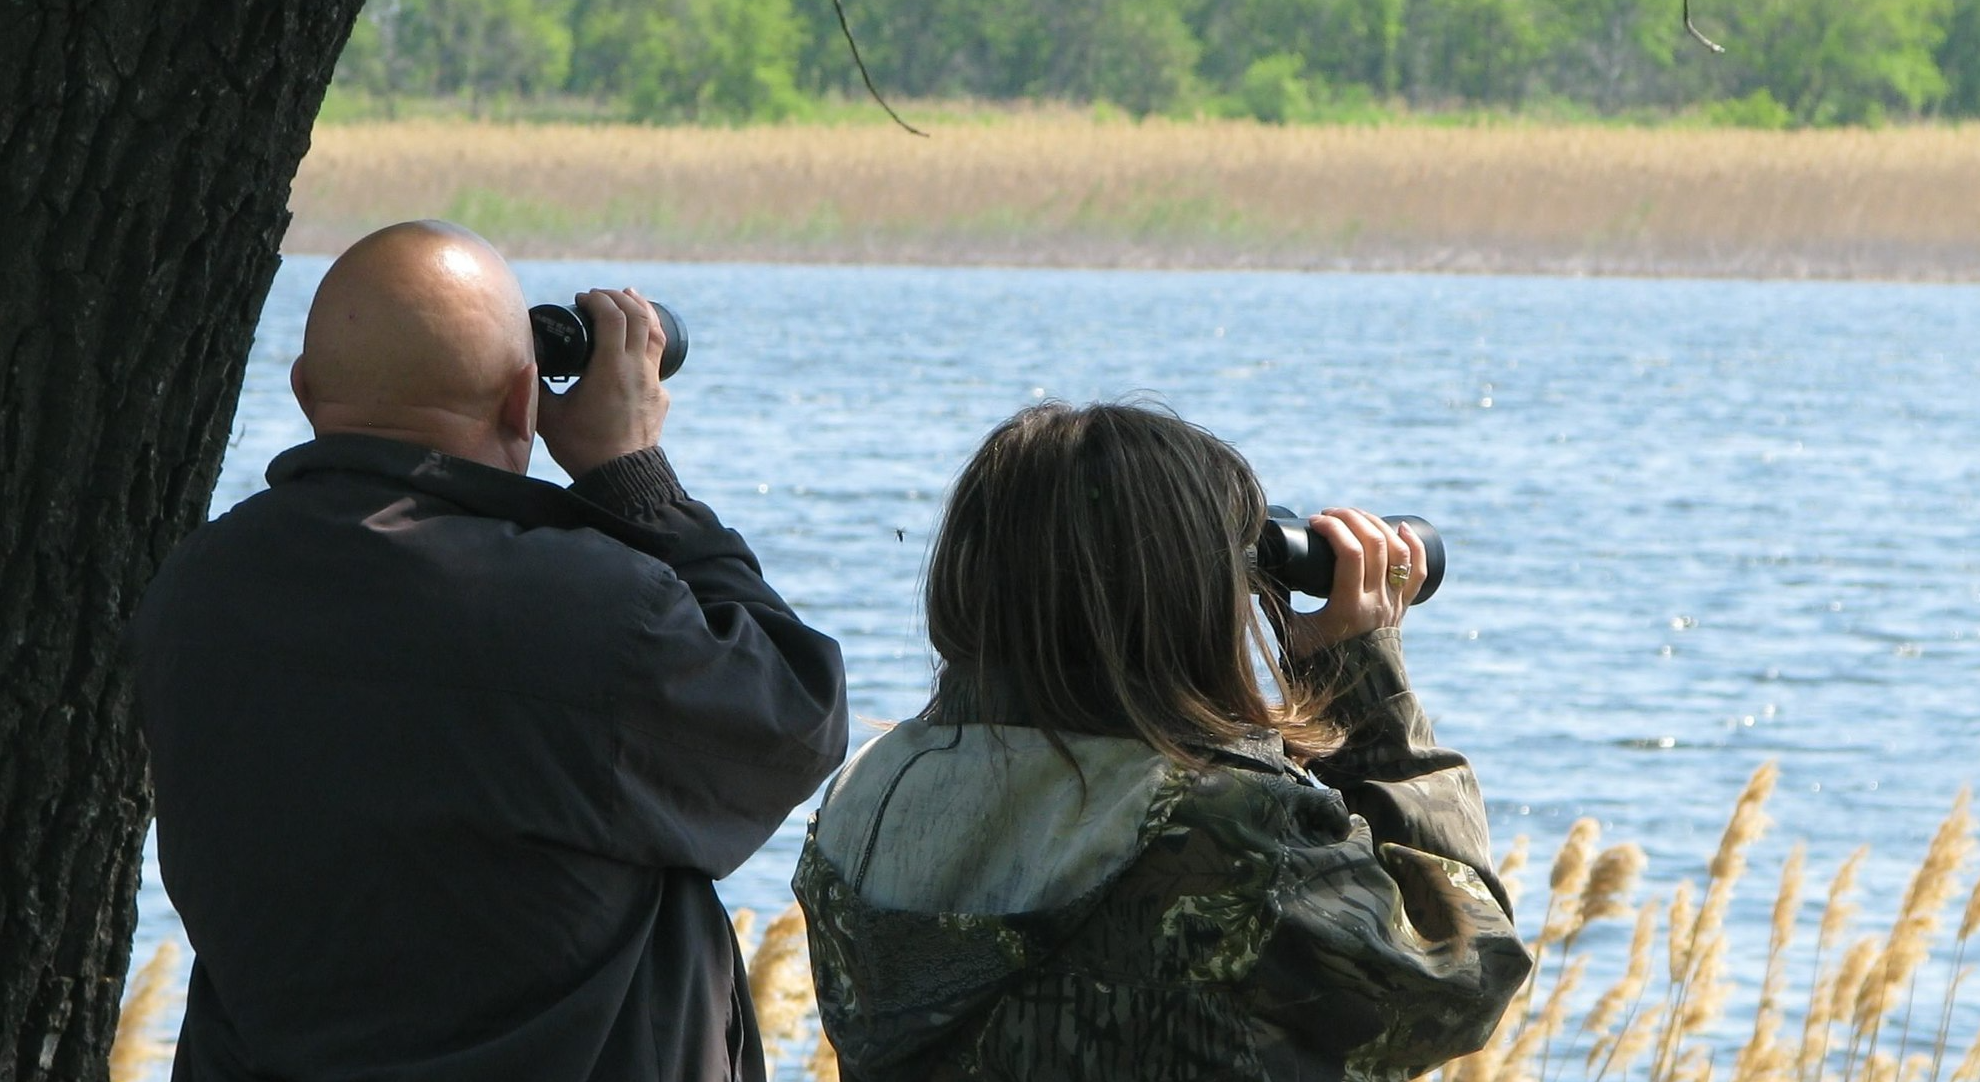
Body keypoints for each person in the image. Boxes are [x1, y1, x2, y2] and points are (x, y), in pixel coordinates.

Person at [130, 220, 849, 1081]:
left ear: (305, 392)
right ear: (524, 402)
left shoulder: (197, 595)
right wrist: (634, 480)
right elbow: (798, 719)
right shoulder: (594, 616)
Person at [792, 401, 1532, 1081]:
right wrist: (1362, 682)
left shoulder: (866, 799)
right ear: (1190, 597)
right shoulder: (1229, 837)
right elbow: (1461, 974)